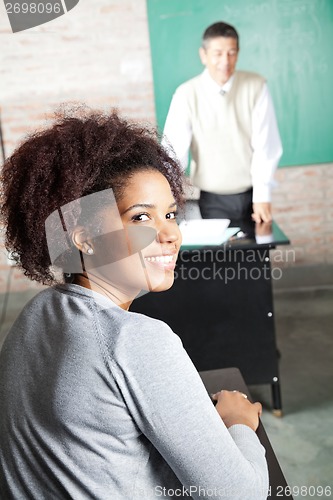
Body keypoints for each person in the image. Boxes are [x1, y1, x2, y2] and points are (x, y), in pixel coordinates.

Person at [0, 108, 268, 499]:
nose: (170, 234)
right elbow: (239, 495)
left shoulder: (36, 313)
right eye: (141, 217)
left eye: (171, 214)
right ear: (83, 238)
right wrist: (238, 421)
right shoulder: (137, 341)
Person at [163, 21, 283, 224]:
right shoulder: (186, 94)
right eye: (218, 53)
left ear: (238, 53)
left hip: (252, 196)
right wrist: (167, 198)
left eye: (231, 53)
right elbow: (173, 152)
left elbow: (266, 146)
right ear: (203, 54)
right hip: (210, 200)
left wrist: (262, 197)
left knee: (257, 255)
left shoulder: (256, 86)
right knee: (220, 256)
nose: (225, 61)